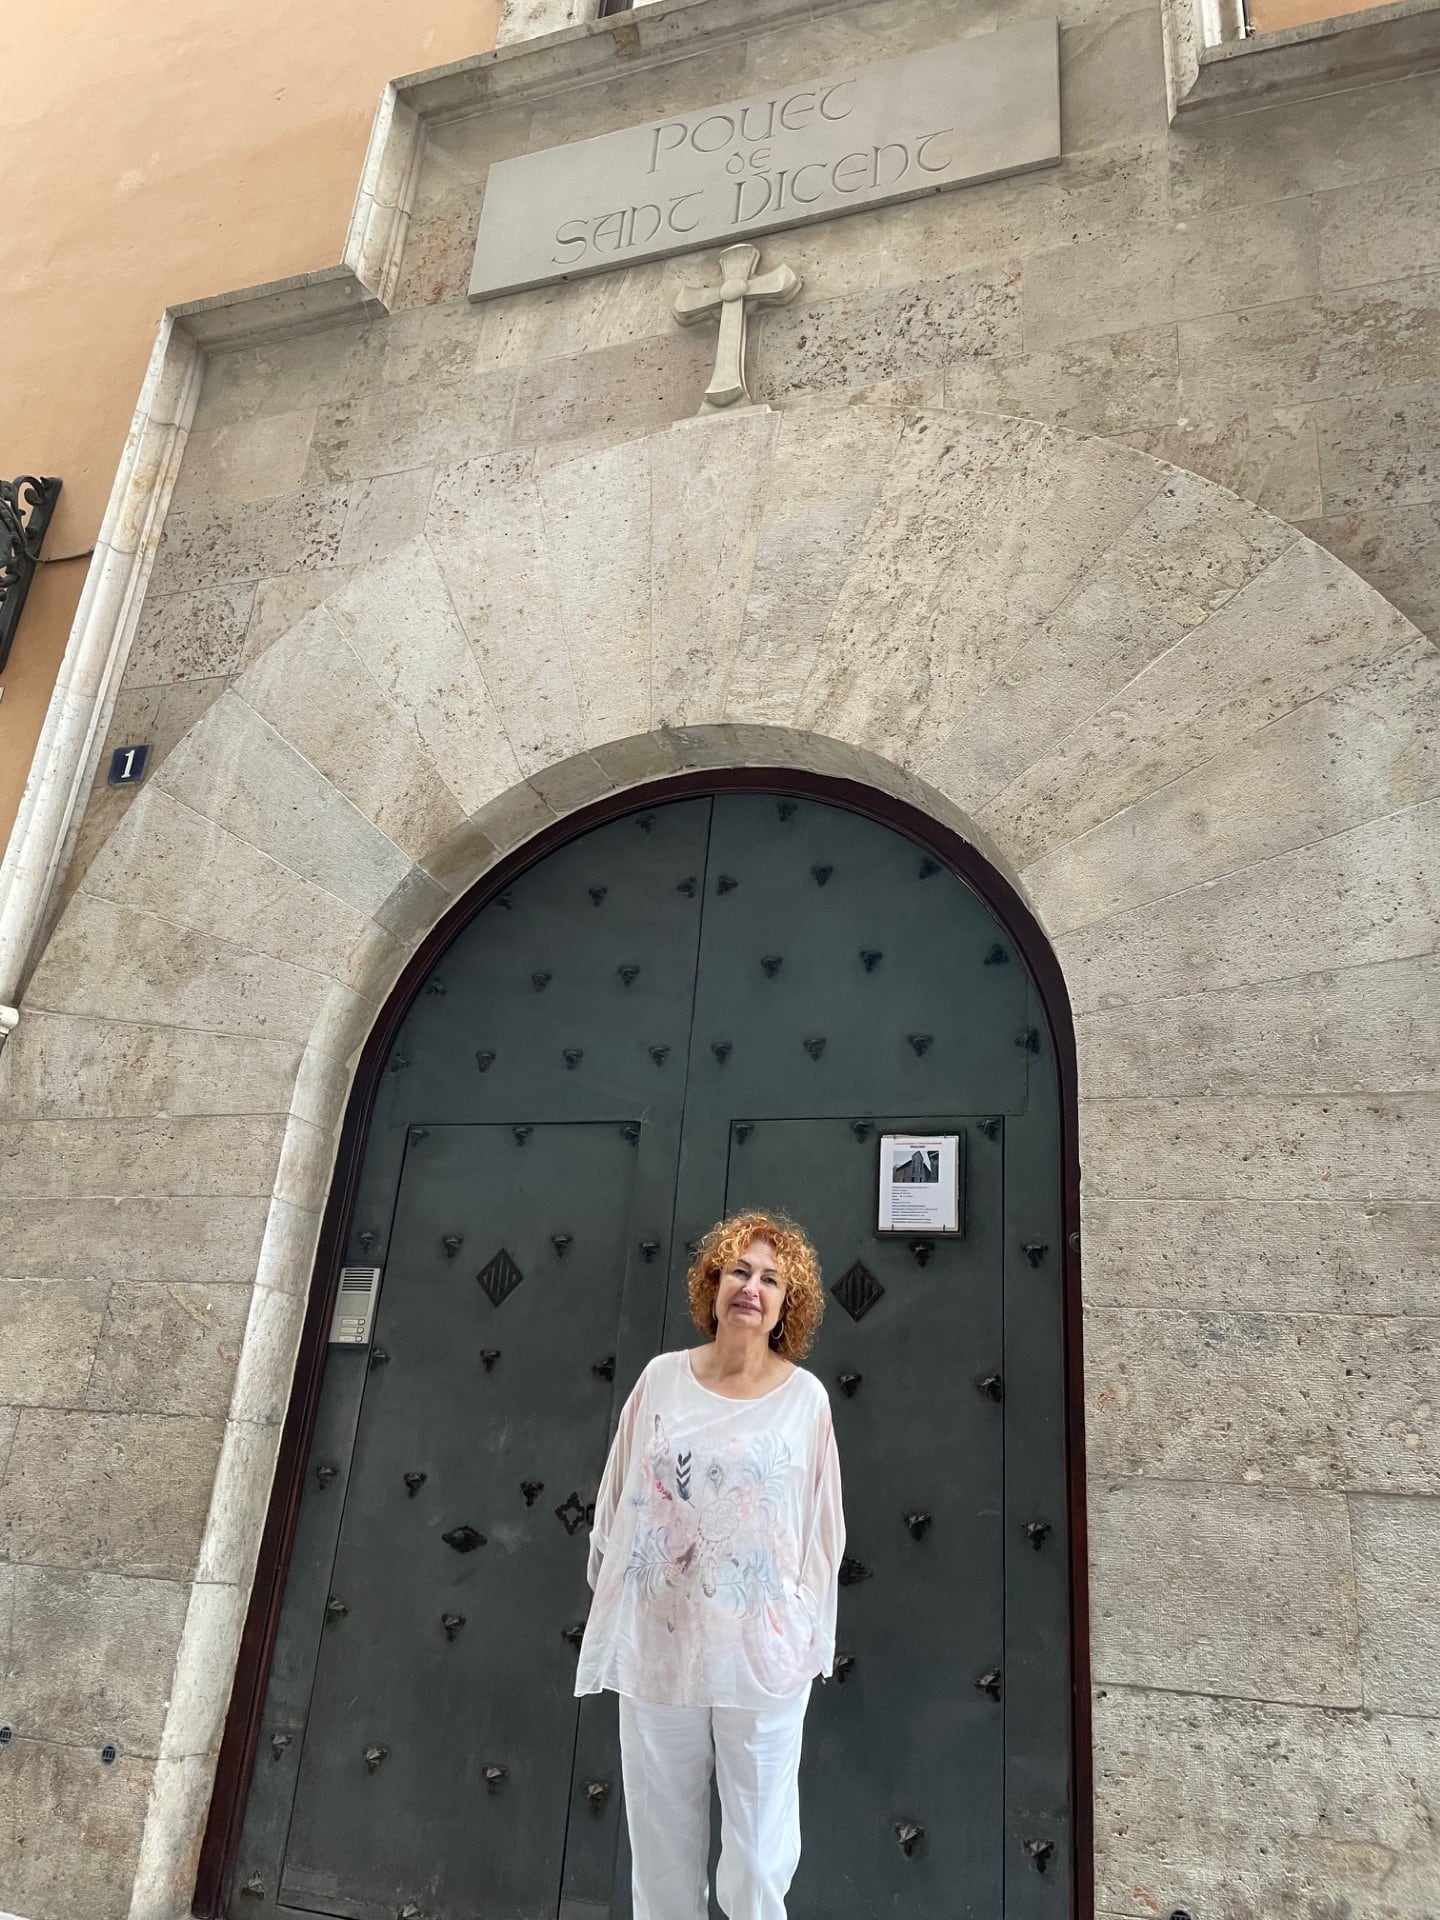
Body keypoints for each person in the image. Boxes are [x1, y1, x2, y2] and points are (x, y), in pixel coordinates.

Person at [574, 1209, 846, 1920]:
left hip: (761, 1654)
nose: (750, 1287)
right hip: (660, 1650)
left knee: (757, 1857)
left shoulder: (805, 1399)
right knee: (662, 1852)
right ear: (712, 1284)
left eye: (769, 1278)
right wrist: (622, 1596)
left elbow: (822, 1533)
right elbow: (616, 1499)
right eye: (738, 1271)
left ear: (789, 1304)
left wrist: (804, 1632)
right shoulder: (662, 1379)